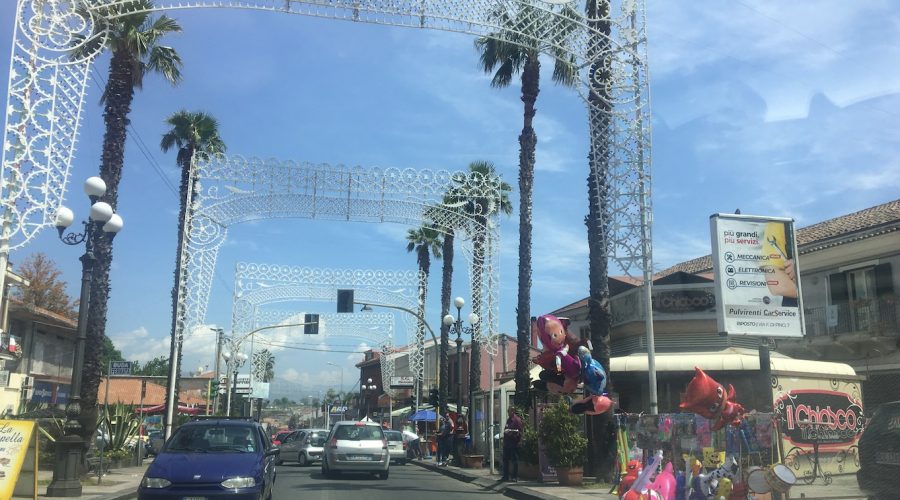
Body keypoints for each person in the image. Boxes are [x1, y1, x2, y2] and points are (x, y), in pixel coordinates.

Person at [501, 407, 524, 482]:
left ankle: (514, 477)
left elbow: (521, 432)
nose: (508, 412)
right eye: (507, 411)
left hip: (514, 443)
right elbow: (506, 429)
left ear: (513, 411)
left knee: (515, 460)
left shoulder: (517, 420)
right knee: (505, 460)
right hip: (507, 443)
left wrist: (519, 441)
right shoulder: (508, 420)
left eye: (509, 411)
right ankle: (505, 476)